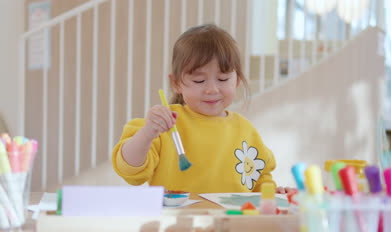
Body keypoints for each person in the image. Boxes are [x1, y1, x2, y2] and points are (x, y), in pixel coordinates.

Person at [112, 24, 292, 194]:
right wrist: (147, 133)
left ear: (237, 80)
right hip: (177, 223)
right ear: (176, 83)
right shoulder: (165, 125)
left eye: (222, 79)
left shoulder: (246, 130)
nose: (212, 89)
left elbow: (260, 179)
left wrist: (272, 193)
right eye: (199, 81)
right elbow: (129, 171)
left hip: (232, 224)